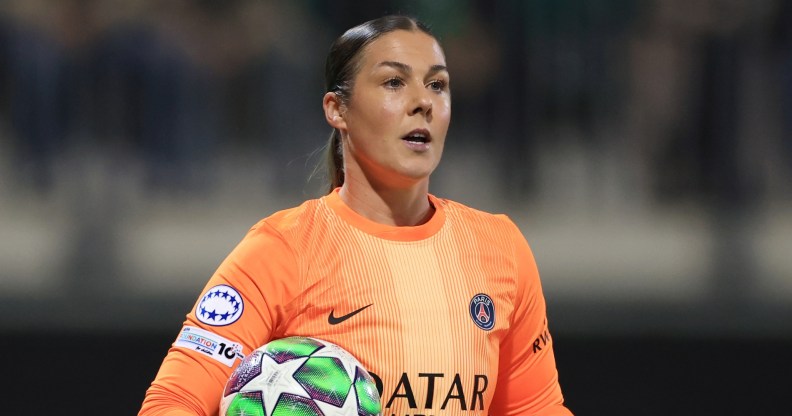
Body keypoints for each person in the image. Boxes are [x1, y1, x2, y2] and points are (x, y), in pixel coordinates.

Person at [139, 15, 573, 416]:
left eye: (437, 85)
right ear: (337, 109)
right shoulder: (283, 249)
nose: (423, 102)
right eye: (394, 83)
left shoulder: (499, 247)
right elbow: (171, 402)